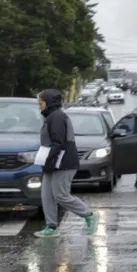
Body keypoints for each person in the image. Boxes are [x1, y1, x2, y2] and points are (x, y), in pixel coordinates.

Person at [33, 89, 98, 238]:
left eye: (41, 103)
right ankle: (51, 226)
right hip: (53, 162)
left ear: (49, 103)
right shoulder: (51, 116)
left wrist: (48, 157)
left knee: (61, 195)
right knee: (47, 195)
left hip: (63, 162)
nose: (40, 106)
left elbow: (59, 143)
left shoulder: (57, 117)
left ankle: (89, 215)